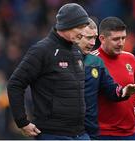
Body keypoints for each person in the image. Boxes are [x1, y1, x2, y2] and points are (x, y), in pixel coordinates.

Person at [7, 3, 91, 140]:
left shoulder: (76, 51)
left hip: (80, 133)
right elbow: (15, 83)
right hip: (53, 134)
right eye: (80, 27)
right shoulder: (41, 51)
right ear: (66, 25)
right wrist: (22, 121)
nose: (83, 32)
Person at [76, 18, 135, 139]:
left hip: (130, 133)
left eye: (123, 38)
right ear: (102, 39)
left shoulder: (130, 58)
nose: (121, 43)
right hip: (103, 133)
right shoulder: (91, 62)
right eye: (116, 39)